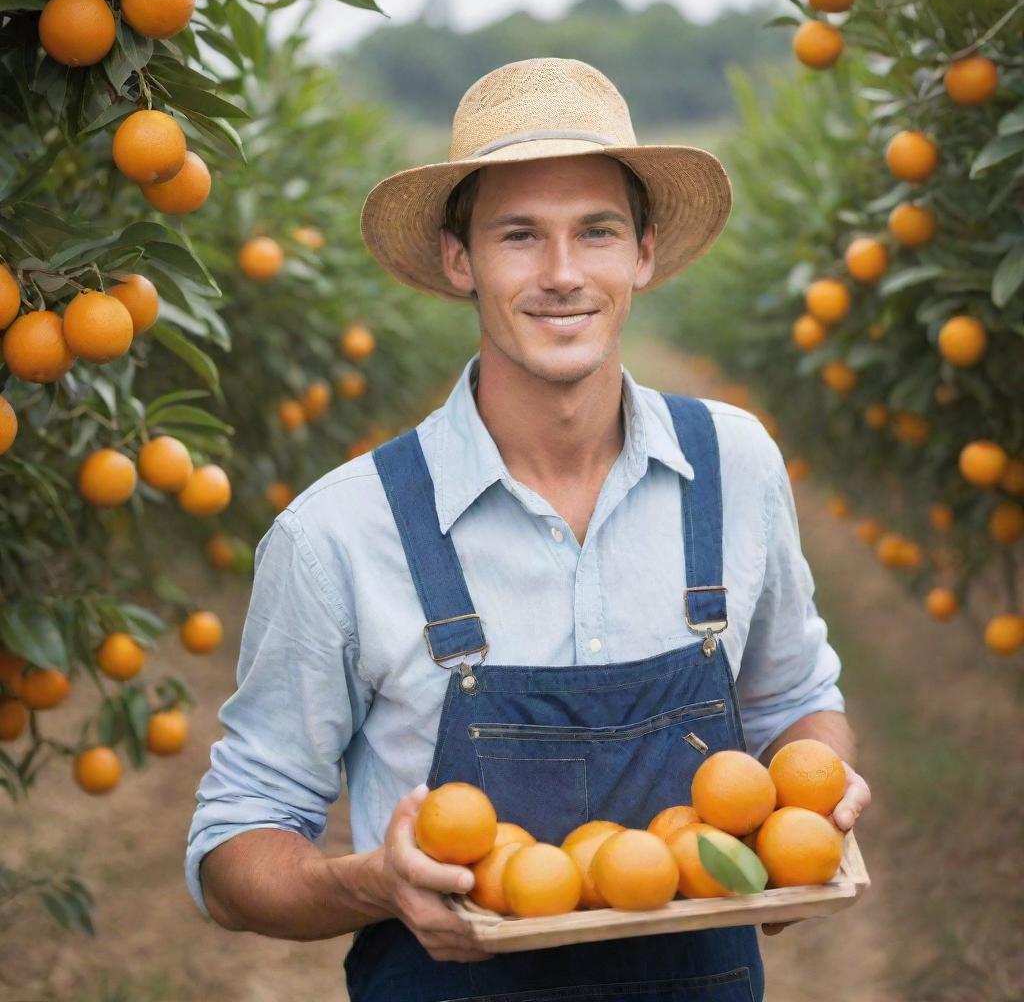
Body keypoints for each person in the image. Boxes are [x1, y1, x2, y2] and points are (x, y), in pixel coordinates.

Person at [186, 57, 872, 1001]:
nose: (561, 274)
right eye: (520, 236)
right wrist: (369, 881)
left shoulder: (737, 467)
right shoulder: (341, 532)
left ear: (641, 253)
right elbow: (235, 848)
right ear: (459, 260)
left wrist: (810, 807)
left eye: (595, 231)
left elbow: (797, 697)